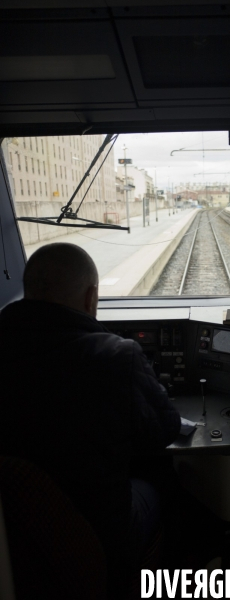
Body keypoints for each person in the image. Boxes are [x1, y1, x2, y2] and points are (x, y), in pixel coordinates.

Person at [0, 242, 181, 598]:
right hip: (96, 537)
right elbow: (164, 431)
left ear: (30, 290)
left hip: (15, 533)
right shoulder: (115, 355)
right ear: (90, 297)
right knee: (165, 481)